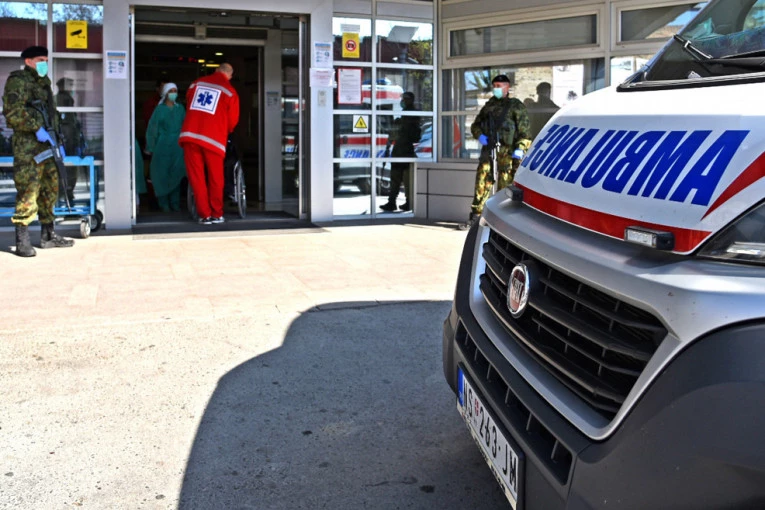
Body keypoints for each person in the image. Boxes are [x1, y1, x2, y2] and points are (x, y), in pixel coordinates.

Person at [2, 46, 74, 257]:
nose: (45, 64)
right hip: (29, 148)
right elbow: (12, 112)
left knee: (50, 190)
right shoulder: (18, 81)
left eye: (46, 60)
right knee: (28, 191)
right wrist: (36, 128)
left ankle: (48, 235)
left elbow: (51, 114)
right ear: (28, 61)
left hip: (48, 145)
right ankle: (22, 240)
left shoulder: (44, 83)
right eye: (40, 60)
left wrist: (58, 139)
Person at [458, 74, 531, 231]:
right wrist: (481, 136)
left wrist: (520, 149)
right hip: (489, 151)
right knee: (482, 182)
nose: (496, 89)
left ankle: (501, 223)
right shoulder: (488, 106)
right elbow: (475, 126)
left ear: (507, 87)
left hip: (507, 153)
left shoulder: (516, 106)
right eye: (495, 86)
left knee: (504, 188)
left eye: (499, 86)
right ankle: (476, 218)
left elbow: (525, 134)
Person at [179, 63, 240, 225]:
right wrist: (224, 130)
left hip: (190, 135)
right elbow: (232, 121)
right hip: (213, 139)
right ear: (229, 75)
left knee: (197, 177)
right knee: (215, 177)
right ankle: (216, 213)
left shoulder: (196, 84)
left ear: (216, 70)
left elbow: (189, 103)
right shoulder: (230, 91)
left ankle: (204, 215)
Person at [145, 82, 186, 212]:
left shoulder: (180, 109)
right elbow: (152, 129)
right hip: (162, 146)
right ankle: (164, 203)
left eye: (175, 91)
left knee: (176, 173)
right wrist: (150, 147)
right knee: (161, 174)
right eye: (171, 91)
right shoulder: (159, 110)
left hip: (178, 146)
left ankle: (175, 202)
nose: (173, 93)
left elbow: (186, 126)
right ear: (165, 93)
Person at [380, 91, 421, 212]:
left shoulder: (412, 114)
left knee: (405, 180)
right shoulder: (406, 113)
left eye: (406, 99)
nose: (403, 101)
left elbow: (407, 132)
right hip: (400, 150)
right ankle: (393, 201)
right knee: (397, 178)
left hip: (405, 150)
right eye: (403, 98)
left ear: (411, 100)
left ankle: (406, 202)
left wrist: (398, 125)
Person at [56, 77, 84, 204]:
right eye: (70, 86)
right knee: (70, 169)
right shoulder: (64, 100)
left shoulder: (65, 99)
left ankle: (66, 194)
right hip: (68, 141)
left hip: (68, 140)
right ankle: (67, 195)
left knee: (68, 169)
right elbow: (68, 123)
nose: (72, 88)